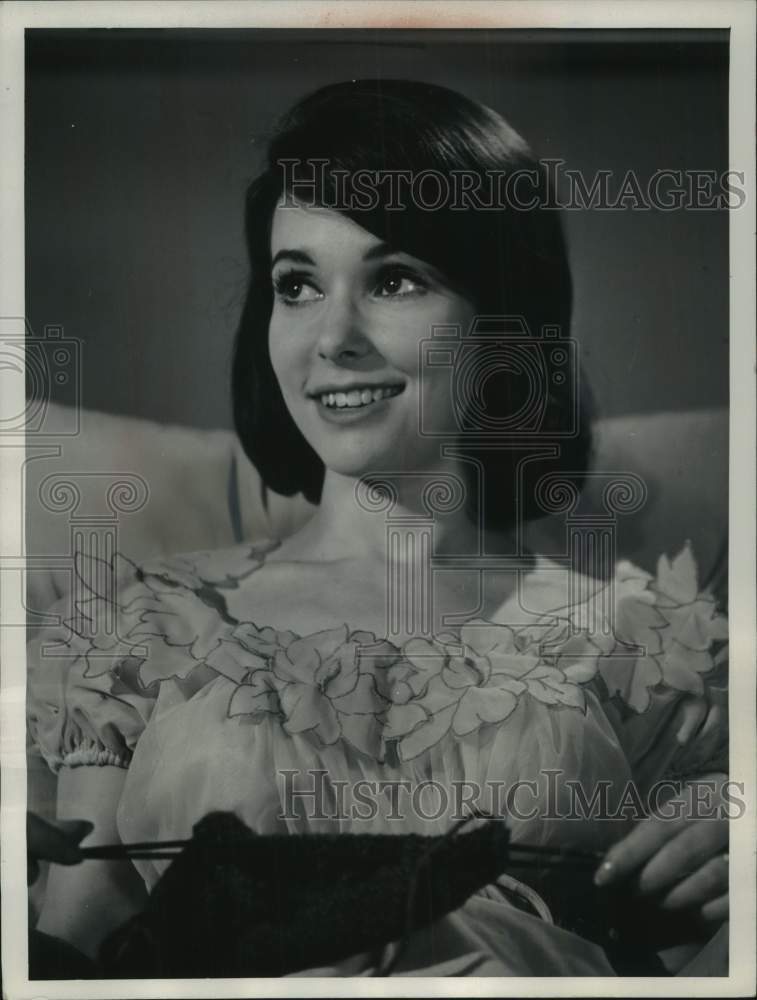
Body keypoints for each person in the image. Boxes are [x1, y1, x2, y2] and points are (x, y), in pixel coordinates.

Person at [26, 79, 729, 977]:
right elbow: (82, 952)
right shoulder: (140, 625)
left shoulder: (651, 644)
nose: (333, 337)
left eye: (394, 279)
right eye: (296, 285)